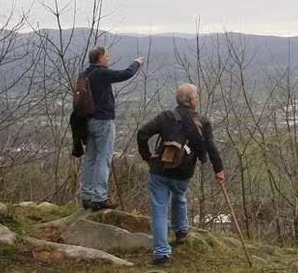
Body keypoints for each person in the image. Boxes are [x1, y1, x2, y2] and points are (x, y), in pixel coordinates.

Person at [136, 83, 225, 266]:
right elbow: (211, 148)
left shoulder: (166, 116)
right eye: (196, 96)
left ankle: (161, 254)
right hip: (183, 173)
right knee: (180, 196)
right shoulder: (202, 121)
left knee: (159, 211)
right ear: (191, 100)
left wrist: (147, 156)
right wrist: (219, 171)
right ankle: (181, 231)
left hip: (159, 170)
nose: (197, 99)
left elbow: (142, 133)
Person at [77, 45, 145, 210]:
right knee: (103, 158)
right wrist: (136, 63)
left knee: (91, 158)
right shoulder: (102, 72)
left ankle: (86, 196)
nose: (108, 59)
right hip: (104, 121)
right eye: (106, 56)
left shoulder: (84, 74)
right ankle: (99, 198)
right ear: (100, 58)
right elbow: (125, 74)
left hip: (88, 122)